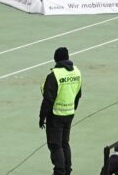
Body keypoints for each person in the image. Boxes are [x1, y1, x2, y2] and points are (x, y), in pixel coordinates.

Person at [40, 46, 82, 175]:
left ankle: (59, 171)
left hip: (55, 115)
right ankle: (67, 169)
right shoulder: (76, 72)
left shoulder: (54, 76)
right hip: (69, 113)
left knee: (55, 145)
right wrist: (72, 108)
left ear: (56, 59)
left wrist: (42, 117)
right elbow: (78, 94)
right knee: (64, 143)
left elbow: (48, 99)